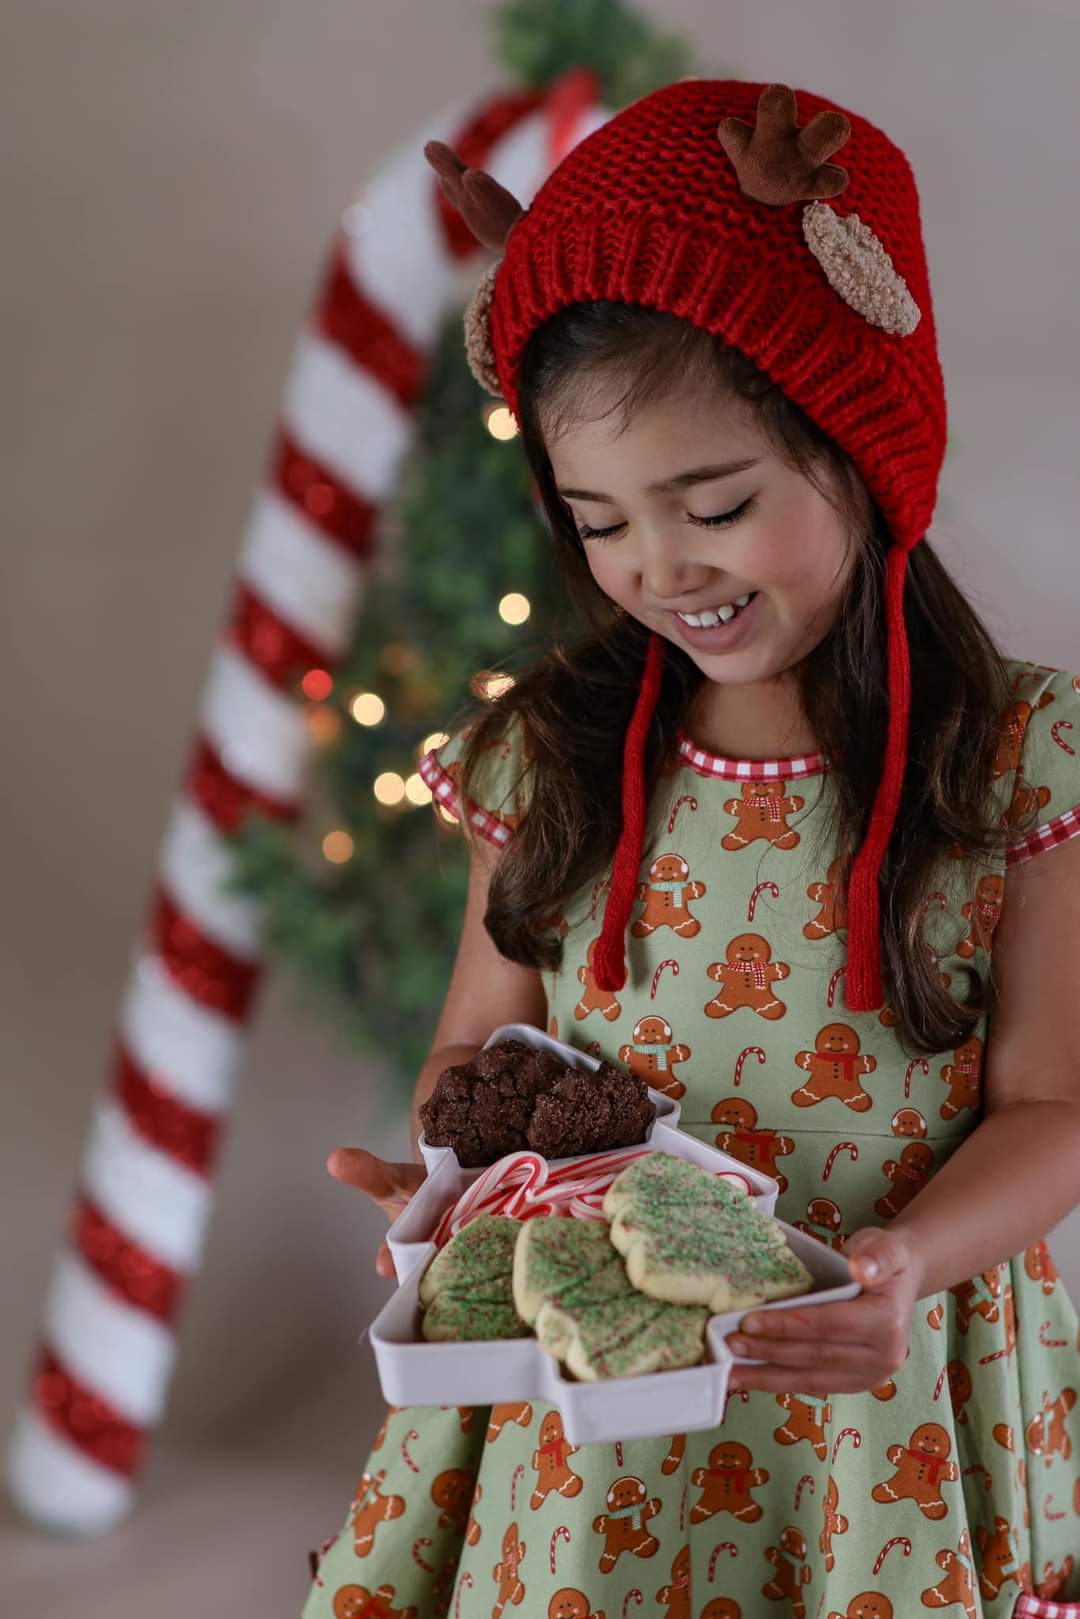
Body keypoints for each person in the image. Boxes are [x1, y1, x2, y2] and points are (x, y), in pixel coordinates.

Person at [300, 79, 1080, 1618]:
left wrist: (906, 1265)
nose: (658, 568)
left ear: (862, 451)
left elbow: (1053, 1102)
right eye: (597, 522)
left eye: (711, 503)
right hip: (597, 1396)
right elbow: (480, 1043)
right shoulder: (548, 762)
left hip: (876, 1398)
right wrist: (457, 1178)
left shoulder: (1010, 758)